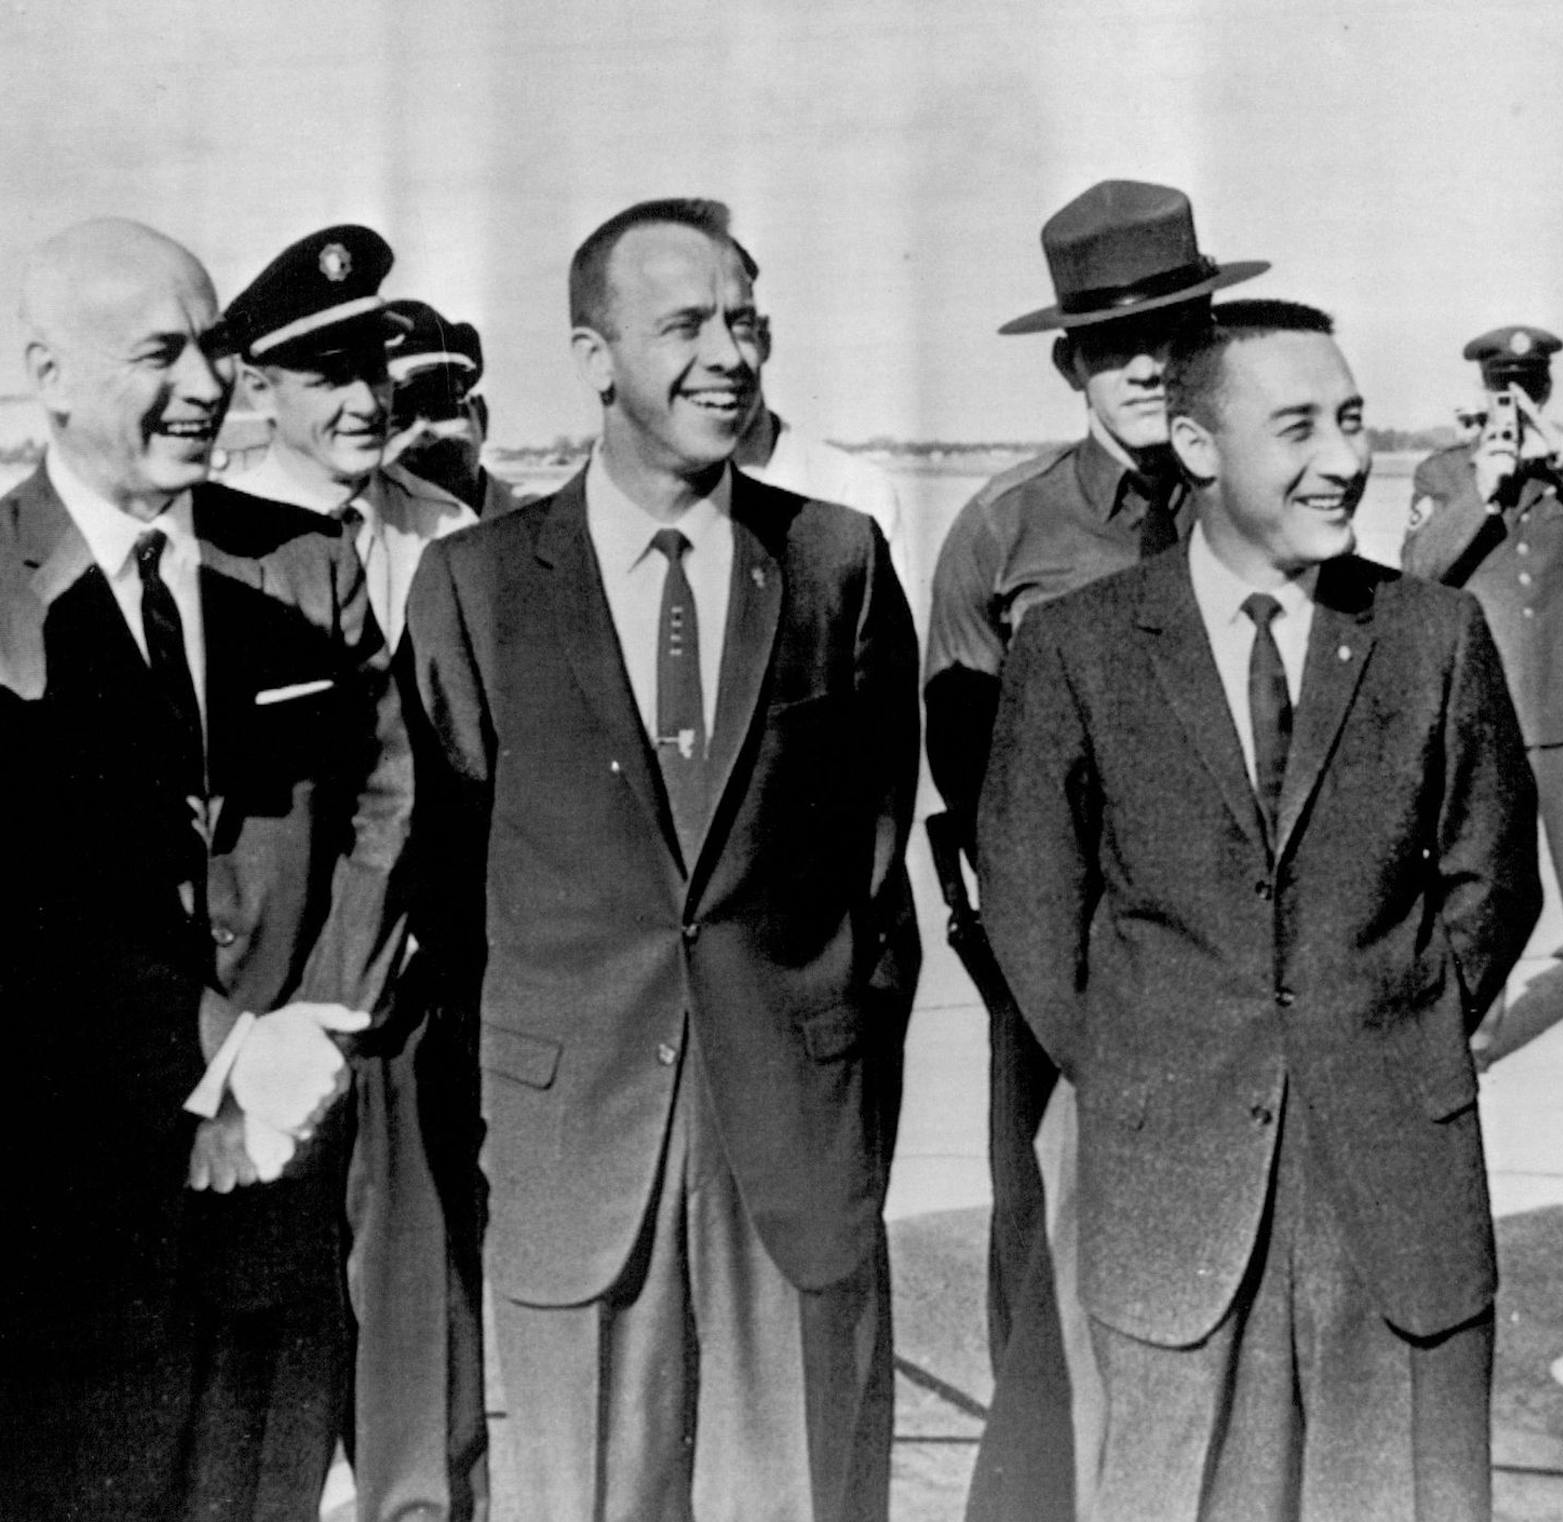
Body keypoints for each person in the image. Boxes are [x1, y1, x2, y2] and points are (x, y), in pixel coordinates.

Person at [401, 196, 919, 1522]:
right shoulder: (473, 582)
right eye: (685, 324)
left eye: (746, 322)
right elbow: (447, 887)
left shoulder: (836, 560)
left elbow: (872, 872)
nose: (728, 356)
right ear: (593, 357)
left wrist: (838, 1103)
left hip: (790, 1156)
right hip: (577, 1155)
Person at [980, 299, 1541, 1520]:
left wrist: (1386, 1025)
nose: (1343, 459)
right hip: (1172, 1196)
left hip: (1396, 1185)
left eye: (1351, 420)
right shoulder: (1078, 651)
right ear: (1195, 446)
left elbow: (1494, 881)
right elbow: (1032, 904)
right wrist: (1151, 1062)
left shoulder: (1435, 634)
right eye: (1298, 428)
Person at [0, 218, 410, 1520]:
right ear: (50, 373)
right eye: (165, 352)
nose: (211, 384)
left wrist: (301, 1044)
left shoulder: (306, 560)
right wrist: (220, 1053)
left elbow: (390, 797)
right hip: (72, 1222)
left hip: (283, 1175)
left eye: (216, 345)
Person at [925, 179, 1267, 1519]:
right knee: (1049, 1272)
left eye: (1174, 331)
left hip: (1238, 980)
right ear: (1070, 361)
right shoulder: (1004, 532)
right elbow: (970, 795)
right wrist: (1046, 991)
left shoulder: (1261, 509)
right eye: (1112, 340)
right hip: (1061, 981)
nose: (1143, 361)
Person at [222, 226, 491, 1522]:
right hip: (278, 997)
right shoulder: (213, 548)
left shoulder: (447, 537)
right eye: (322, 369)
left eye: (374, 360)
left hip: (428, 992)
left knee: (417, 1321)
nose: (365, 394)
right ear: (257, 391)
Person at [1403, 325, 1563, 1085]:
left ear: (1544, 390)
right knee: (1481, 879)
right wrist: (1482, 486)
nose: (1514, 400)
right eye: (1501, 386)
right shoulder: (1446, 471)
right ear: (1481, 391)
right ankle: (1475, 1037)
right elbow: (1418, 570)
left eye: (1530, 386)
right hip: (1483, 709)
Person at [227, 226, 479, 646]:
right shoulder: (216, 539)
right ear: (260, 392)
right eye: (332, 378)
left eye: (375, 371)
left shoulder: (447, 530)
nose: (367, 403)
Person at [729, 307, 911, 590]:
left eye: (736, 327)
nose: (719, 356)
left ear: (763, 337)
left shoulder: (856, 492)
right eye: (686, 328)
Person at [386, 297, 528, 518]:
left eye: (442, 407)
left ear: (481, 417)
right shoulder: (353, 543)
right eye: (399, 418)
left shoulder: (544, 527)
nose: (422, 433)